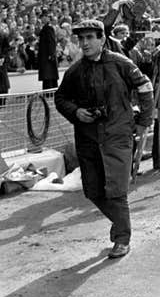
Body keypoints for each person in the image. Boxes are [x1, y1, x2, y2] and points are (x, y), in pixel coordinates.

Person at [54, 19, 154, 259]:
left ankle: (122, 238)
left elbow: (145, 88)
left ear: (102, 39)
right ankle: (120, 225)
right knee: (93, 191)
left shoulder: (121, 63)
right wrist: (76, 112)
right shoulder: (75, 71)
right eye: (81, 39)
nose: (85, 43)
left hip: (117, 136)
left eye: (90, 38)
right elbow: (60, 98)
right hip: (87, 139)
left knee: (116, 191)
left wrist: (143, 123)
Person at [37, 8, 59, 89]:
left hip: (47, 57)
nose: (42, 19)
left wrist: (51, 54)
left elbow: (51, 42)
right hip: (46, 57)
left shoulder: (48, 28)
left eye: (43, 17)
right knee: (48, 77)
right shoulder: (45, 28)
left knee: (48, 77)